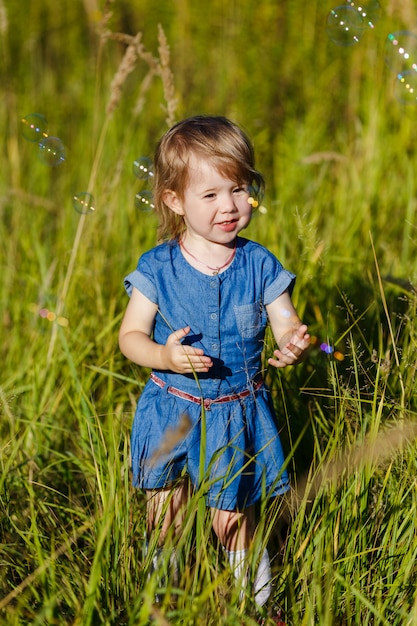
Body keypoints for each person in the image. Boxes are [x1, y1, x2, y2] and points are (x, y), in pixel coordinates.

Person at [119, 115, 310, 618]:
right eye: (210, 196)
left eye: (239, 189)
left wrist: (293, 342)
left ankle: (260, 605)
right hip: (173, 409)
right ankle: (163, 599)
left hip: (234, 413)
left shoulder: (260, 264)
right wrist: (162, 355)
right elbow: (130, 337)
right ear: (174, 201)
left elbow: (285, 321)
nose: (229, 206)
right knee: (167, 514)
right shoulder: (157, 268)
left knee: (232, 518)